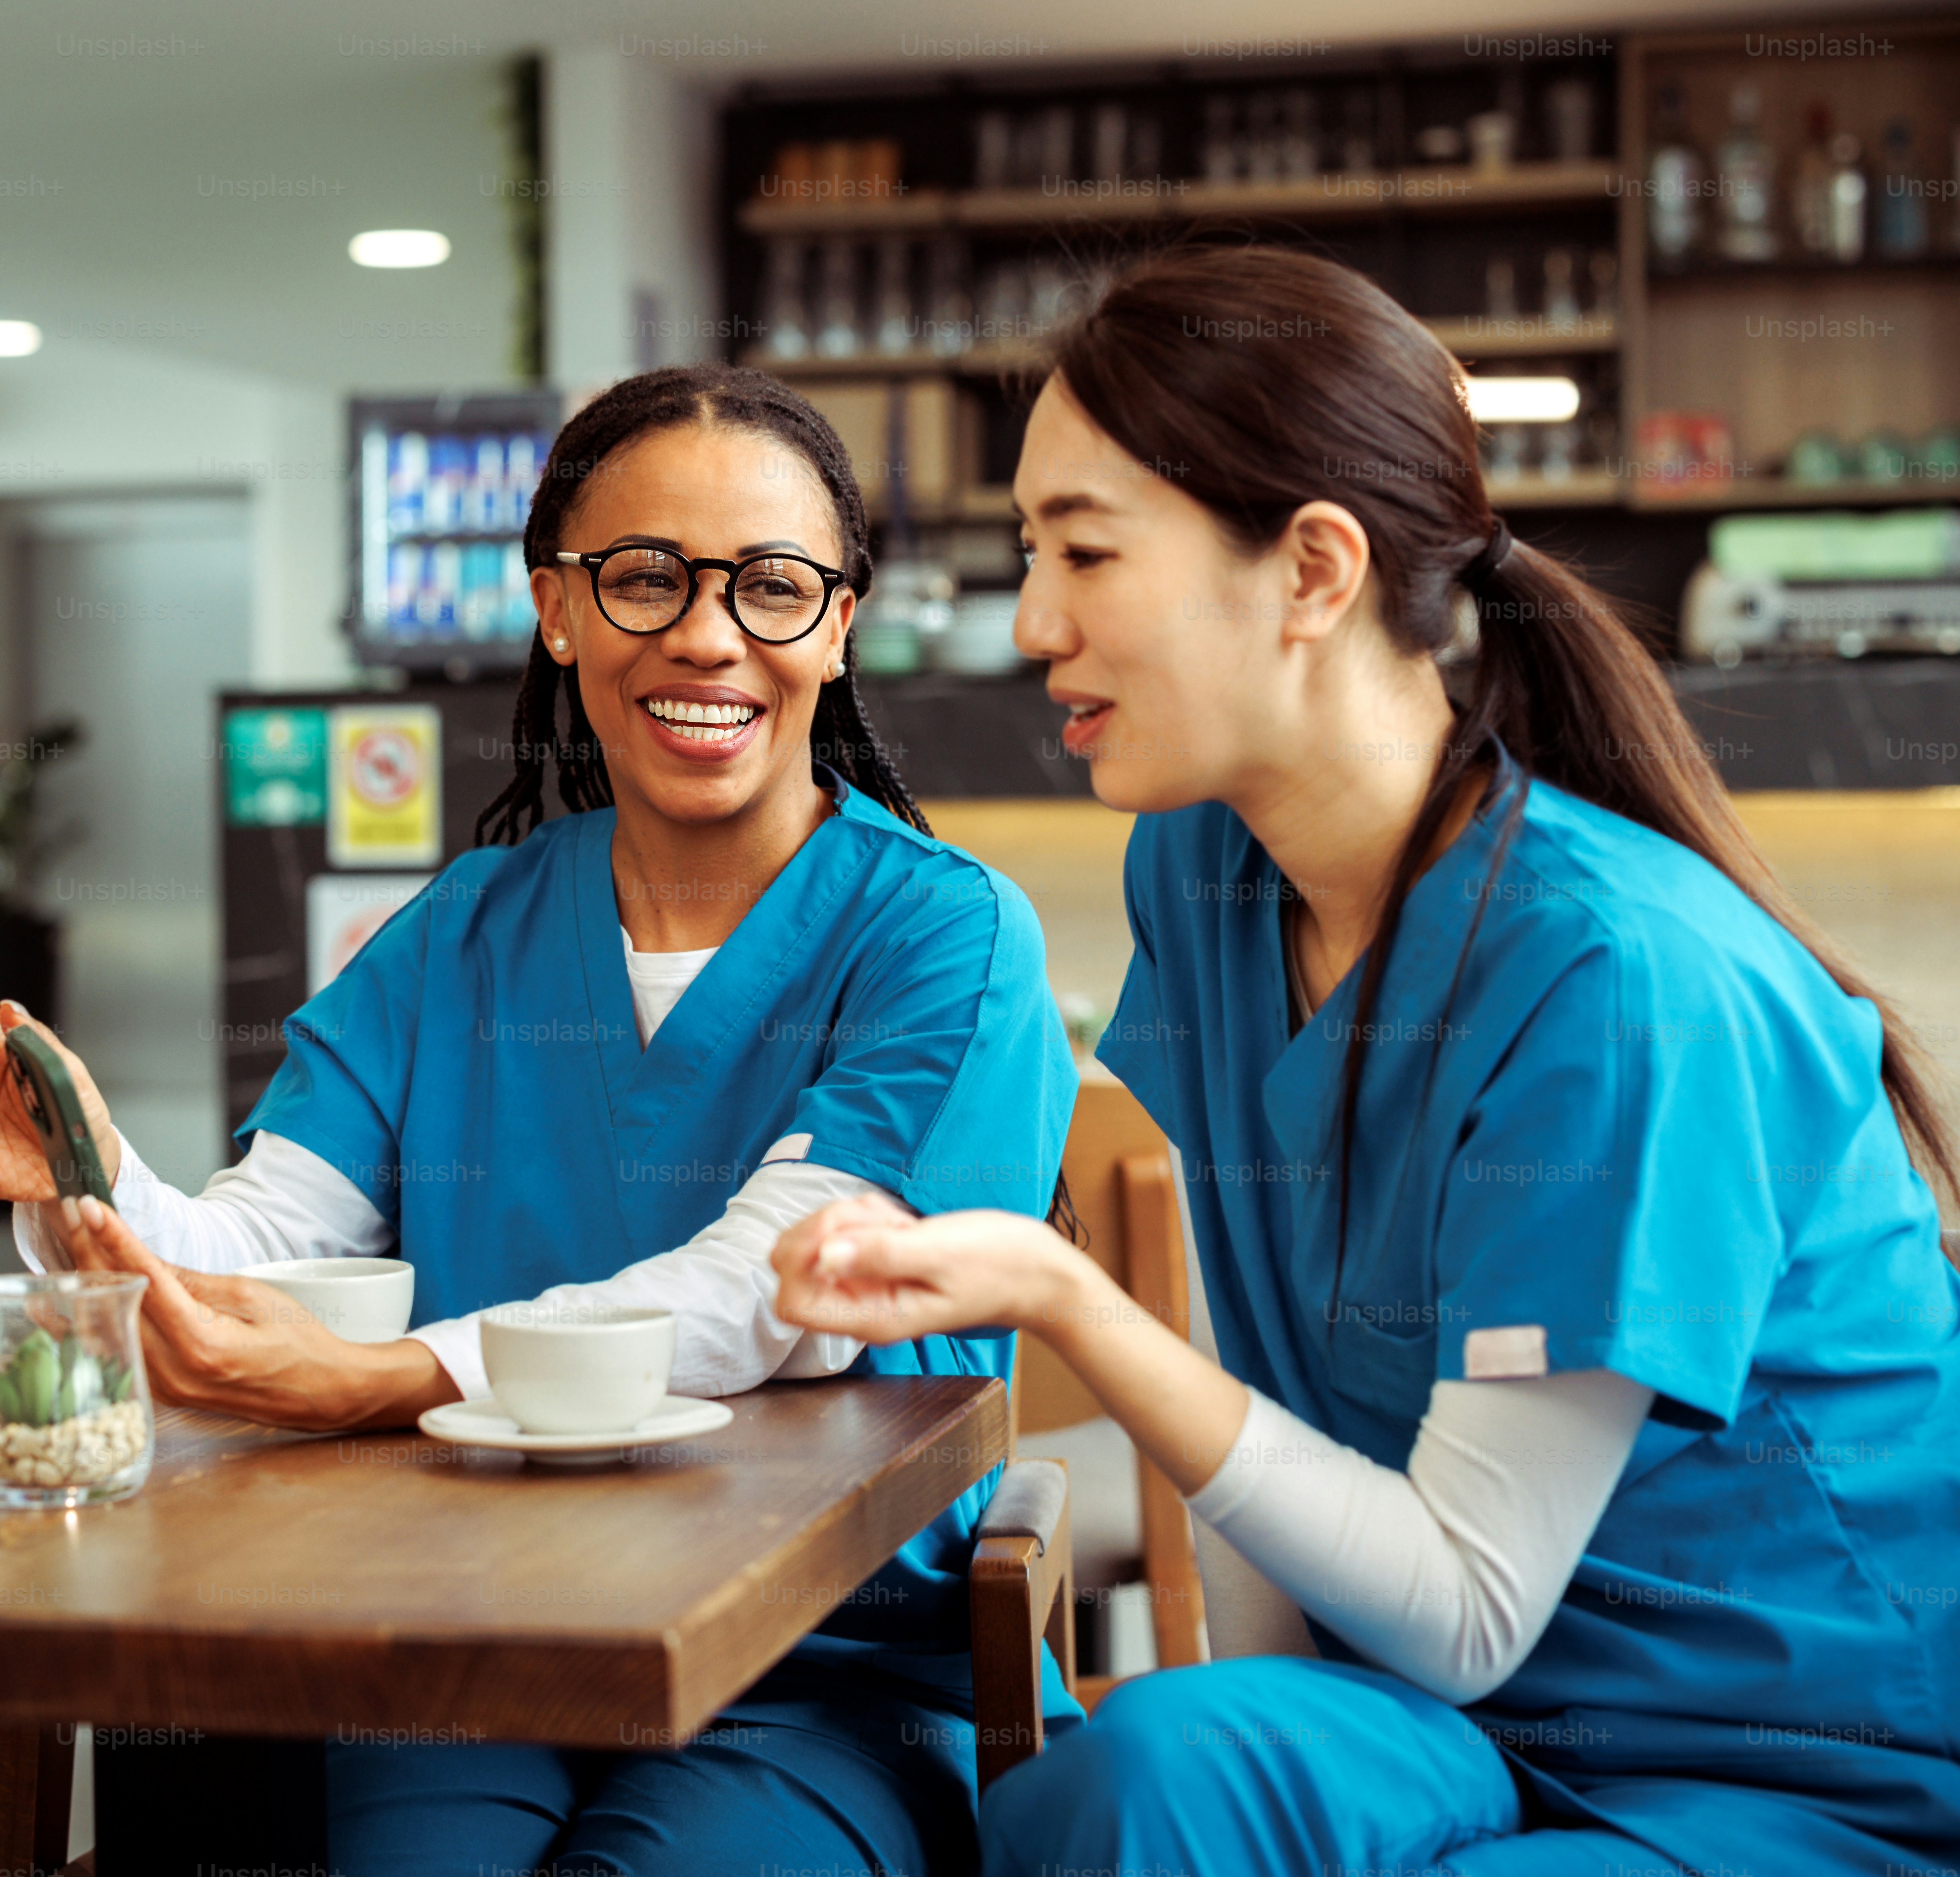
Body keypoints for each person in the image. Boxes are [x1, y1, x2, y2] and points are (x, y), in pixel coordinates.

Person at [773, 245, 1960, 1877]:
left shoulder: (1615, 979)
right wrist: (1247, 1752)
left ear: (1314, 569)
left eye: (1086, 552)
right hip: (1455, 1725)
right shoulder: (1200, 869)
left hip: (1777, 1776)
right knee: (1148, 1771)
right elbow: (1265, 1392)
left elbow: (1466, 1605)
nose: (1034, 620)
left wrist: (1065, 1301)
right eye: (1027, 551)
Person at [0, 362, 1083, 1877]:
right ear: (559, 606)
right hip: (476, 1639)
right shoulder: (457, 931)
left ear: (838, 624)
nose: (709, 635)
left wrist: (370, 1380)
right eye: (645, 579)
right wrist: (79, 1180)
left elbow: (776, 1291)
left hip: (826, 1674)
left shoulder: (945, 940)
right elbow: (256, 1257)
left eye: (773, 586)